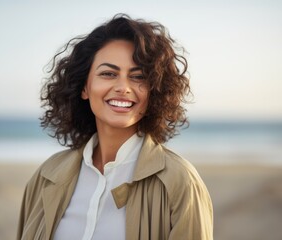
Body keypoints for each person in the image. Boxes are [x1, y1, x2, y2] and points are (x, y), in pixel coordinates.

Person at [17, 14, 213, 240]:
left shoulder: (180, 181)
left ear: (153, 91)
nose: (123, 87)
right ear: (84, 87)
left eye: (138, 76)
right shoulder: (46, 175)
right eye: (108, 74)